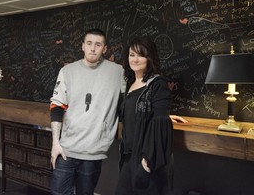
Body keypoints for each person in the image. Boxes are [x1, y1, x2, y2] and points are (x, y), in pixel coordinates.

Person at [50, 28, 186, 195]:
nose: (93, 48)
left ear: (105, 49)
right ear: (82, 46)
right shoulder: (68, 71)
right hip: (68, 149)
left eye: (98, 44)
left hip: (97, 151)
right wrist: (55, 143)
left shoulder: (119, 73)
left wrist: (161, 115)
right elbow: (57, 107)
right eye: (89, 43)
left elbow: (142, 101)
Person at [115, 36, 174, 195]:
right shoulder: (130, 84)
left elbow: (160, 124)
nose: (135, 59)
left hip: (145, 159)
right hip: (128, 157)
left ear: (150, 58)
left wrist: (147, 161)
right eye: (131, 54)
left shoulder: (158, 84)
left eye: (140, 55)